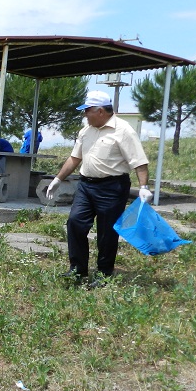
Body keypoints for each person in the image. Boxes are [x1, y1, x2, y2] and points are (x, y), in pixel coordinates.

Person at [46, 90, 152, 287]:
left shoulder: (123, 130)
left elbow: (139, 161)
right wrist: (58, 179)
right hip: (86, 185)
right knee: (75, 222)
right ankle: (77, 270)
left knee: (106, 232)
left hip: (112, 187)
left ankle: (104, 273)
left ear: (101, 111)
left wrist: (143, 187)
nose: (85, 115)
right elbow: (75, 158)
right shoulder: (86, 131)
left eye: (87, 111)